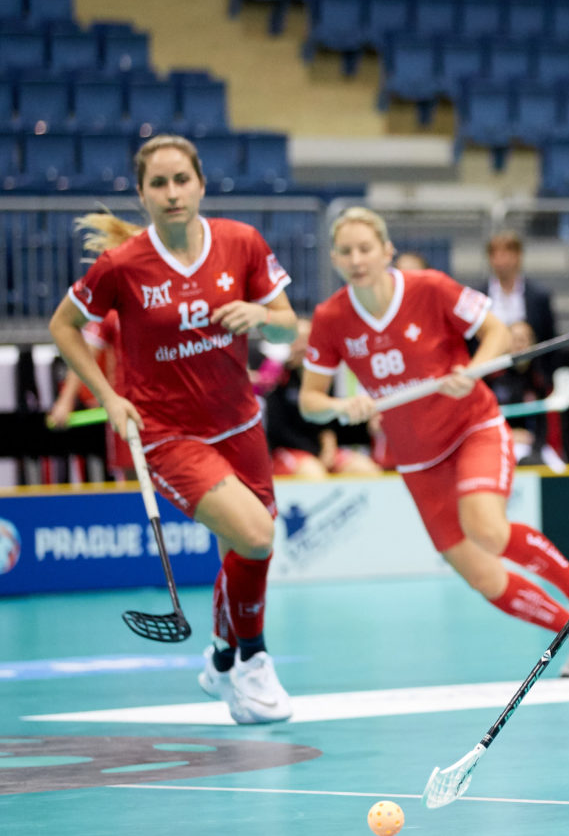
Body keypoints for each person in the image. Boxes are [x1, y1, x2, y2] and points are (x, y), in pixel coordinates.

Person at [298, 207, 569, 677]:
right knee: (480, 574)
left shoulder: (428, 287)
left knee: (487, 527)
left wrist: (472, 370)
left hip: (472, 428)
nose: (356, 258)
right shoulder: (331, 318)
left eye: (366, 248)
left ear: (386, 251)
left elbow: (496, 333)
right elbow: (309, 400)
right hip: (416, 459)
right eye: (345, 251)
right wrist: (342, 408)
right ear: (334, 258)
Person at [47, 134, 298, 724]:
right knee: (257, 536)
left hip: (239, 422)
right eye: (158, 183)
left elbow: (288, 331)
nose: (172, 192)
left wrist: (264, 315)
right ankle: (254, 660)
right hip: (165, 432)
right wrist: (108, 396)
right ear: (141, 195)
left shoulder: (242, 243)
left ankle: (220, 656)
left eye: (181, 179)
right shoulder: (123, 265)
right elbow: (63, 326)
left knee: (245, 546)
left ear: (201, 184)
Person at [474, 231, 562, 463]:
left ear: (519, 256)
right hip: (491, 381)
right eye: (497, 254)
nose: (503, 260)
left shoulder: (538, 296)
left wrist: (545, 380)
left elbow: (550, 340)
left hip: (531, 382)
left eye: (508, 253)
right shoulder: (478, 297)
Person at [260, 317, 382, 479]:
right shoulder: (279, 378)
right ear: (289, 344)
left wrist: (366, 423)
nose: (302, 346)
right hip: (288, 450)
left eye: (307, 340)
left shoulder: (327, 378)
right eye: (297, 341)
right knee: (314, 473)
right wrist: (317, 451)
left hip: (323, 450)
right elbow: (278, 430)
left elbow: (335, 422)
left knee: (366, 469)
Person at [46, 310, 134, 482]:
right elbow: (84, 355)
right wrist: (65, 401)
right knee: (134, 484)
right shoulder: (112, 315)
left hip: (168, 412)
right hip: (126, 412)